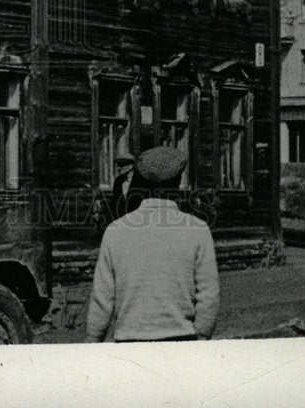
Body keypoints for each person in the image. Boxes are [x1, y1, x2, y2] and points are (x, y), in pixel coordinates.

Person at [86, 146, 219, 342]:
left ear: (140, 182)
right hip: (182, 341)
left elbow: (102, 298)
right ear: (179, 183)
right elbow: (209, 294)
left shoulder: (116, 231)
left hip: (130, 344)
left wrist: (93, 340)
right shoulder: (197, 229)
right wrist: (201, 335)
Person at [108, 153, 136, 222]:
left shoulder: (139, 181)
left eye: (121, 165)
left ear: (131, 166)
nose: (118, 168)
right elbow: (115, 202)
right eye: (118, 165)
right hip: (121, 220)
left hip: (137, 219)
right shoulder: (118, 181)